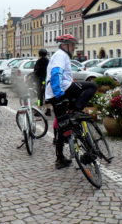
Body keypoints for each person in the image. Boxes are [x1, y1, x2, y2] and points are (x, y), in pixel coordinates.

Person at [45, 34, 97, 169]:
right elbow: (56, 73)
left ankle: (60, 158)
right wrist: (60, 95)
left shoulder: (59, 55)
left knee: (63, 126)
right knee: (92, 86)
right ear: (65, 45)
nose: (74, 48)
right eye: (72, 45)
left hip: (54, 93)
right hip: (60, 91)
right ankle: (77, 108)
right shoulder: (61, 55)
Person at [33, 48, 51, 116]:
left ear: (39, 54)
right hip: (47, 81)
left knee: (39, 96)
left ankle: (38, 109)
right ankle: (48, 109)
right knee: (47, 95)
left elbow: (36, 71)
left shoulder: (39, 61)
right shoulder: (48, 61)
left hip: (40, 81)